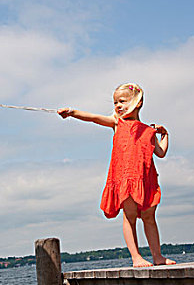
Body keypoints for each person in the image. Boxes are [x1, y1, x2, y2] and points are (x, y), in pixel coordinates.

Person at [58, 83, 176, 267]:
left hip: (146, 180)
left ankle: (157, 256)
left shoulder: (148, 130)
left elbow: (160, 153)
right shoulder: (116, 123)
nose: (117, 106)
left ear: (137, 103)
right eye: (115, 103)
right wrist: (73, 113)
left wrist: (165, 134)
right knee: (129, 216)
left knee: (149, 218)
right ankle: (136, 257)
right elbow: (93, 118)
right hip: (125, 178)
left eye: (122, 101)